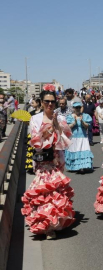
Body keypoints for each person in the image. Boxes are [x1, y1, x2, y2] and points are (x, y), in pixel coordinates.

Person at [21, 85, 75, 239]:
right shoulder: (35, 119)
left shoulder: (60, 118)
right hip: (42, 160)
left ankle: (54, 223)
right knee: (43, 190)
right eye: (46, 101)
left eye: (52, 101)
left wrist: (57, 127)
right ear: (41, 102)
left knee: (56, 191)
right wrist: (43, 134)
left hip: (57, 159)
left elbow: (67, 136)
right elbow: (33, 141)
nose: (50, 104)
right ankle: (45, 225)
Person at [65, 102, 94, 173]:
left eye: (79, 107)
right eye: (76, 107)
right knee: (74, 151)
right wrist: (74, 123)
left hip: (83, 137)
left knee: (84, 150)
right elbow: (68, 127)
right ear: (73, 108)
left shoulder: (85, 116)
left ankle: (83, 167)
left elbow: (87, 126)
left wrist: (82, 122)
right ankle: (75, 166)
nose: (78, 109)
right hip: (73, 137)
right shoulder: (69, 116)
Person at [26, 98, 43, 174]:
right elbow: (29, 124)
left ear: (38, 103)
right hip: (32, 134)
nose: (31, 104)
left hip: (41, 134)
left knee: (40, 151)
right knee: (32, 151)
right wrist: (25, 122)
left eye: (33, 103)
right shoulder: (31, 113)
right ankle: (32, 167)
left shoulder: (43, 113)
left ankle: (41, 166)